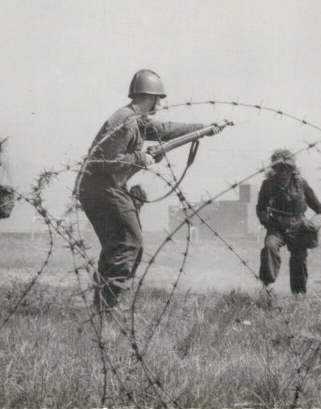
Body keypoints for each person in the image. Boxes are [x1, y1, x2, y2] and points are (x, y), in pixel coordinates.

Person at [78, 69, 221, 311]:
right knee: (130, 242)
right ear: (152, 97)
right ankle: (108, 305)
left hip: (102, 188)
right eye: (159, 98)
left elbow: (164, 130)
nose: (160, 103)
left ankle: (101, 305)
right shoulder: (125, 121)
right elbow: (104, 162)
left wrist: (205, 128)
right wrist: (139, 157)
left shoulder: (136, 119)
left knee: (118, 244)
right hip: (104, 188)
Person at [256, 148, 321, 295]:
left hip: (298, 227)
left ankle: (299, 295)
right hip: (276, 228)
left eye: (287, 168)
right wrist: (263, 216)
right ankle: (266, 286)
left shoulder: (301, 183)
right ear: (274, 169)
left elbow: (316, 205)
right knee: (269, 247)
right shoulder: (268, 185)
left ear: (292, 168)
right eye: (279, 168)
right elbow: (260, 207)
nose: (283, 171)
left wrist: (318, 218)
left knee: (299, 258)